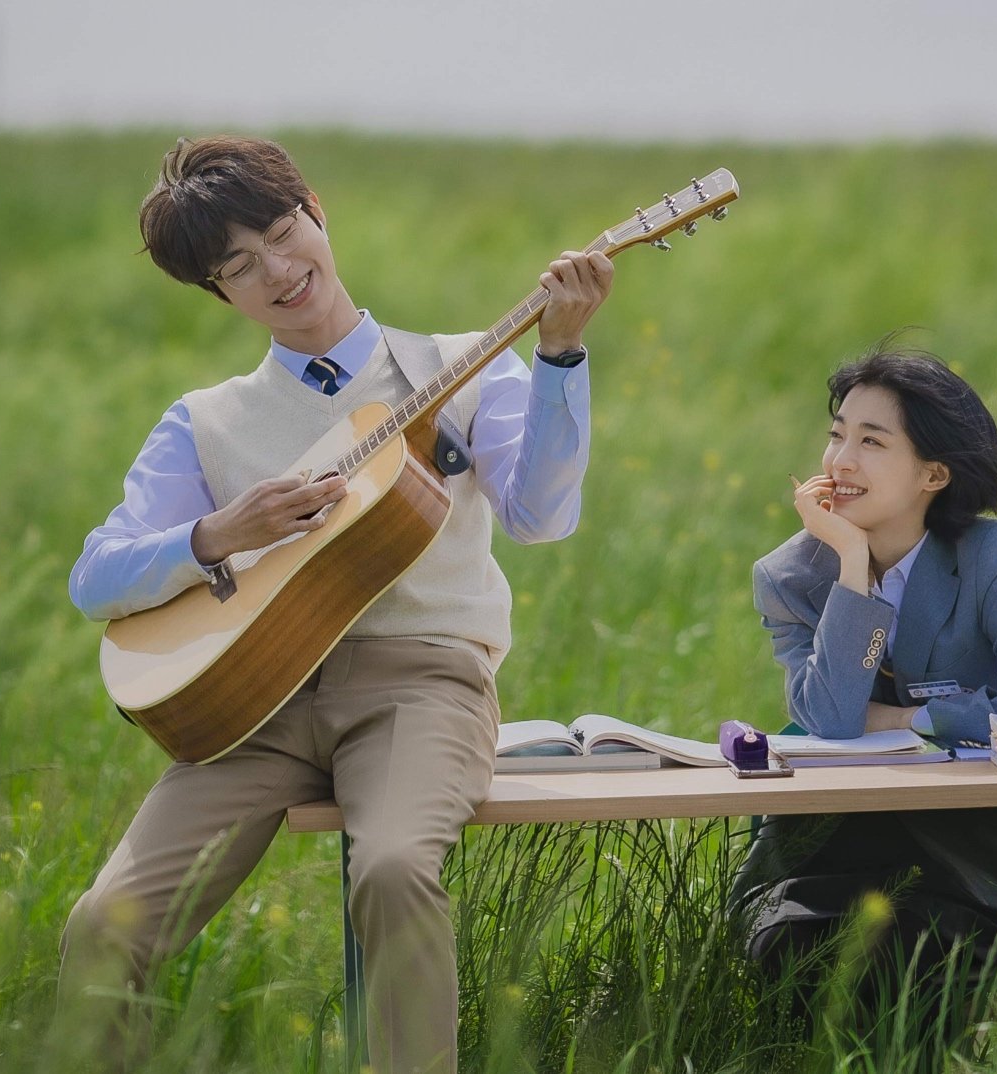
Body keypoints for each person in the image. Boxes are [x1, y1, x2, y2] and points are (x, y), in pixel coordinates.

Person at [58, 134, 615, 1074]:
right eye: (239, 266)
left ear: (316, 210)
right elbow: (96, 577)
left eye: (282, 233)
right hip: (253, 703)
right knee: (104, 924)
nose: (279, 271)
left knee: (394, 869)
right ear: (217, 293)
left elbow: (542, 516)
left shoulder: (461, 365)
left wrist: (559, 356)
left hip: (422, 683)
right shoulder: (203, 421)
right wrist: (219, 533)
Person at [734, 342, 997, 1023]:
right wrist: (853, 565)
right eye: (837, 435)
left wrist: (905, 721)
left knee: (924, 945)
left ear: (933, 473)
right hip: (845, 838)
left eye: (871, 441)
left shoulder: (994, 555)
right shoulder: (789, 576)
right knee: (814, 948)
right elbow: (832, 719)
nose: (839, 461)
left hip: (976, 837)